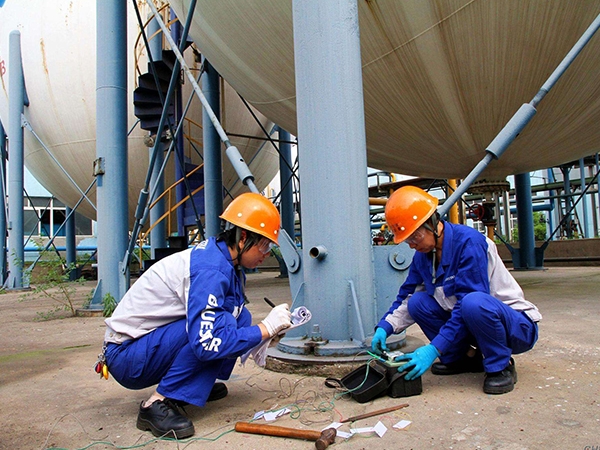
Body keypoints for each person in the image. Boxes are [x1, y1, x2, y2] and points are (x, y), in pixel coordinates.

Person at [102, 192, 292, 438]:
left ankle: (193, 383)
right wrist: (265, 327)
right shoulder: (210, 269)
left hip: (144, 346)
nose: (267, 253)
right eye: (264, 244)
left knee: (239, 316)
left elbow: (231, 323)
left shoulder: (228, 263)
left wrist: (264, 337)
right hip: (126, 356)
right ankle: (157, 403)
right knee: (215, 327)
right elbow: (207, 341)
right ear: (243, 237)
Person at [371, 186, 541, 395]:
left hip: (516, 327)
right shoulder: (423, 257)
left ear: (432, 223)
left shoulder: (470, 243)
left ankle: (500, 365)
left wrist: (433, 349)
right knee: (418, 302)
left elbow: (467, 304)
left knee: (472, 302)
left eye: (415, 237)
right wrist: (385, 327)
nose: (412, 245)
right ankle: (461, 358)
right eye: (408, 241)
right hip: (475, 325)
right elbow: (406, 297)